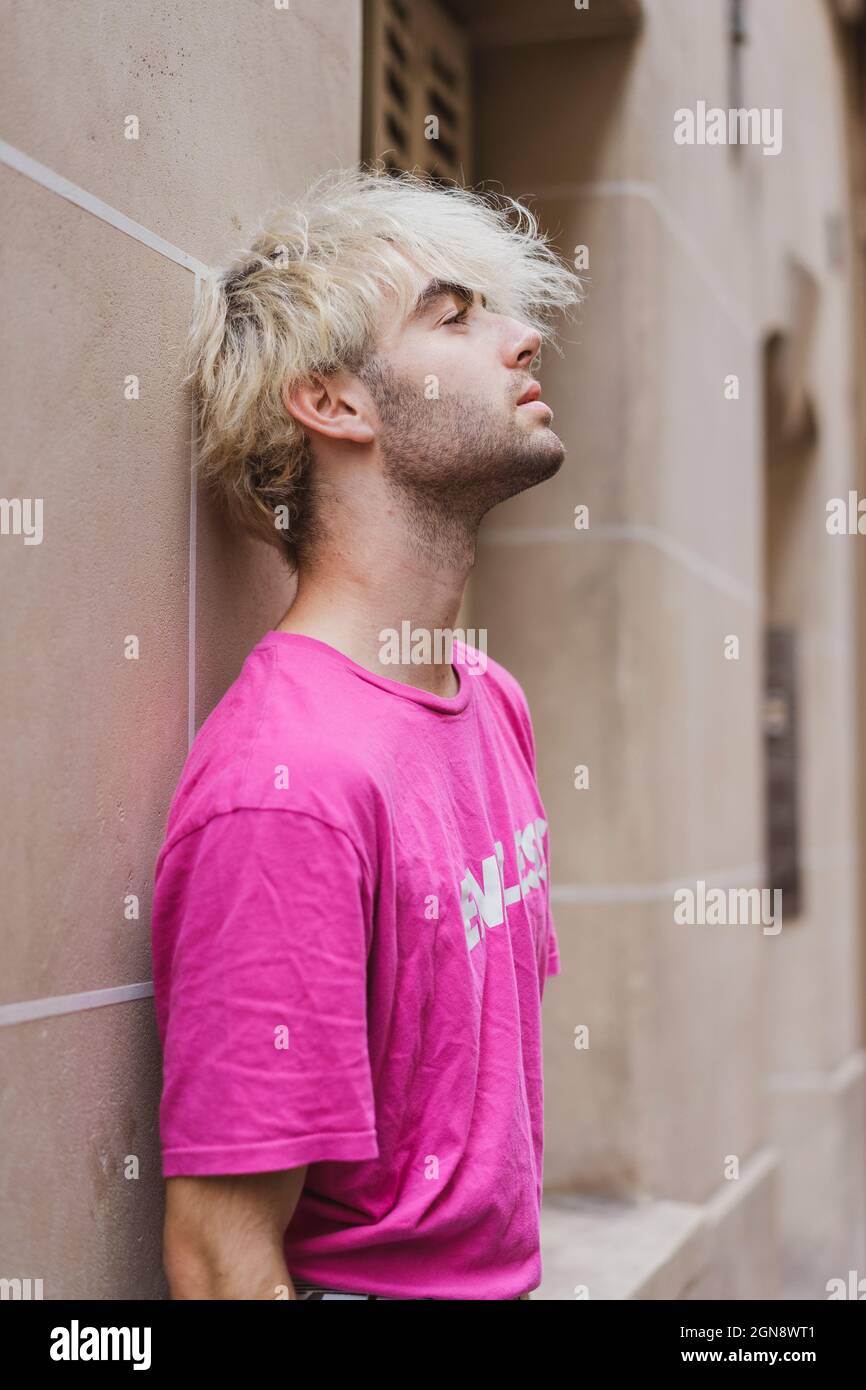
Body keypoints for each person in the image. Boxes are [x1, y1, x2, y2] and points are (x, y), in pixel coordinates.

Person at [151, 164, 583, 1300]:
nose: (522, 338)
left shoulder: (490, 699)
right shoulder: (286, 785)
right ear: (332, 401)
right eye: (455, 315)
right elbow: (217, 1254)